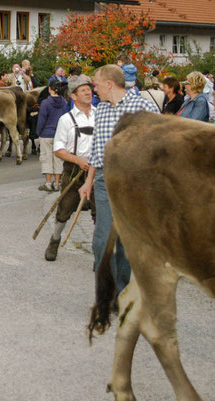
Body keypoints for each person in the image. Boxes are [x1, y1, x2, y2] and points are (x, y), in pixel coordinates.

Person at [78, 64, 160, 297]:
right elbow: (96, 149)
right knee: (102, 238)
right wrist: (88, 181)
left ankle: (120, 292)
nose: (94, 88)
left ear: (109, 84)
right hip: (105, 179)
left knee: (124, 239)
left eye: (96, 83)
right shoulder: (101, 109)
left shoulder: (141, 105)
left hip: (132, 180)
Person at [44, 76, 96, 261]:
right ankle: (55, 239)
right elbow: (58, 149)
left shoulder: (100, 115)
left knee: (100, 214)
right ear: (73, 96)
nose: (88, 92)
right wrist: (78, 160)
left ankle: (100, 250)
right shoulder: (66, 119)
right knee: (64, 210)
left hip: (97, 172)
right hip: (74, 171)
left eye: (89, 89)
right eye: (83, 90)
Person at [36, 80, 67, 192]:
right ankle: (57, 183)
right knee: (58, 158)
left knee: (46, 157)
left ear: (50, 89)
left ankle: (48, 183)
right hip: (59, 134)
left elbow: (41, 120)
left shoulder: (45, 103)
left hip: (46, 134)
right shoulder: (64, 102)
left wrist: (38, 132)